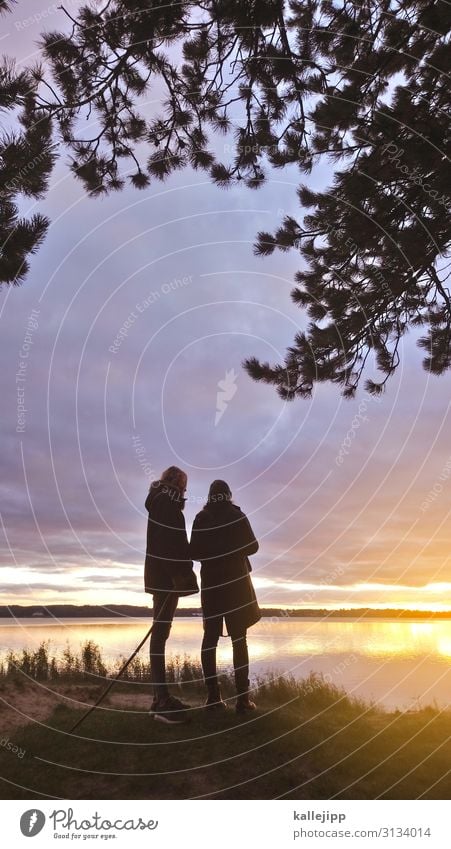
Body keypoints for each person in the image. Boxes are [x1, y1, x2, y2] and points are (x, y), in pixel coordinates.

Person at [190, 480, 261, 715]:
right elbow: (253, 546)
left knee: (209, 640)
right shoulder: (236, 516)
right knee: (239, 640)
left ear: (210, 496)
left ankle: (213, 697)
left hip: (212, 585)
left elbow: (194, 553)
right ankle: (243, 700)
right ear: (228, 495)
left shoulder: (202, 518)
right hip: (236, 586)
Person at [144, 465, 195, 724]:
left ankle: (159, 697)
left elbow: (171, 542)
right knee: (160, 634)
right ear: (175, 483)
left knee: (160, 634)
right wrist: (179, 575)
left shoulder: (161, 501)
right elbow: (170, 544)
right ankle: (160, 700)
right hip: (166, 578)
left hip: (163, 576)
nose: (184, 491)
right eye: (184, 486)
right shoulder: (166, 502)